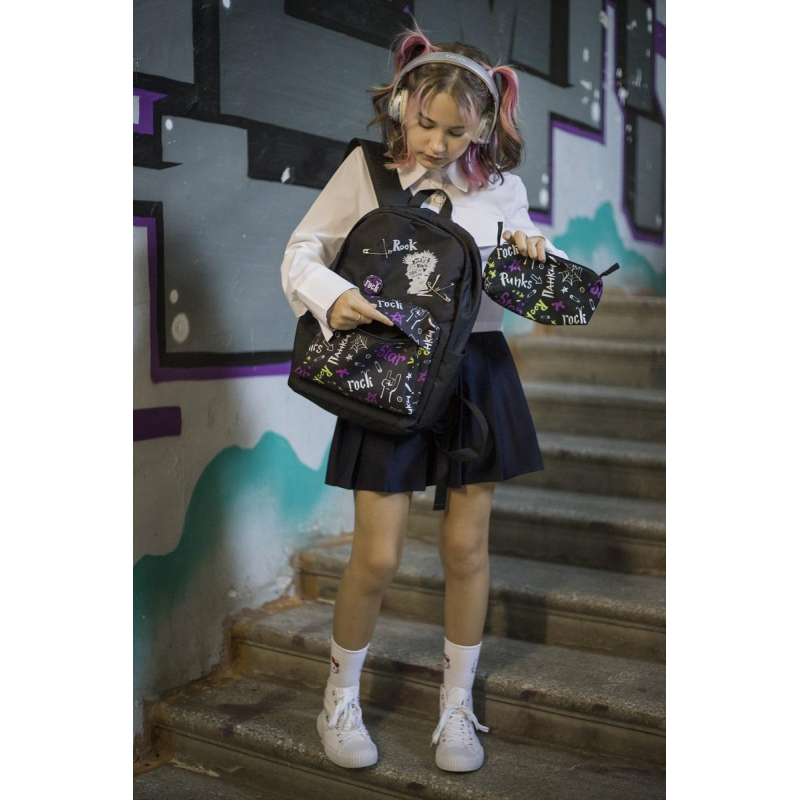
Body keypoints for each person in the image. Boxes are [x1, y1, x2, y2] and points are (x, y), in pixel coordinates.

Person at [280, 26, 568, 773]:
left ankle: (457, 707)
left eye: (457, 132)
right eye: (426, 124)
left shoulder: (502, 190)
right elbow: (302, 251)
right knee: (376, 556)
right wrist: (332, 297)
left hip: (476, 373)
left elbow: (530, 287)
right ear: (403, 104)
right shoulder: (367, 171)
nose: (438, 144)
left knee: (466, 549)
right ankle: (339, 698)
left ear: (484, 125)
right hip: (388, 367)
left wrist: (539, 256)